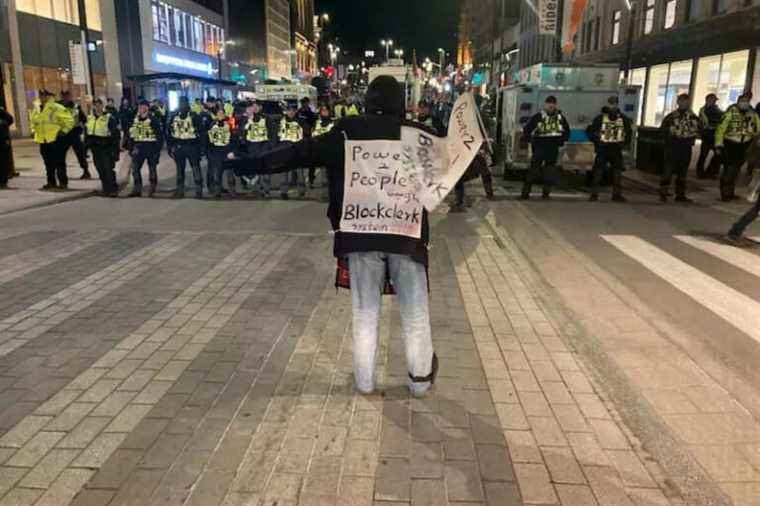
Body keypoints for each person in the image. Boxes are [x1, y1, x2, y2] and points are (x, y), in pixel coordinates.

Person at [225, 75, 438, 397]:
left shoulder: (345, 132)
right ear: (400, 102)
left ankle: (365, 382)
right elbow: (461, 163)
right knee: (416, 312)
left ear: (368, 100)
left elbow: (297, 153)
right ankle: (420, 381)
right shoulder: (420, 135)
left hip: (360, 236)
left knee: (365, 313)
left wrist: (247, 165)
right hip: (406, 236)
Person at [521, 95, 570, 200]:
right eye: (549, 103)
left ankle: (546, 193)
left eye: (553, 103)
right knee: (533, 170)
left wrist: (561, 141)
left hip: (552, 148)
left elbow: (566, 131)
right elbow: (527, 129)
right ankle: (525, 193)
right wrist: (530, 141)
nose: (551, 105)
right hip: (540, 147)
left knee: (549, 172)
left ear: (555, 105)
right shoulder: (538, 116)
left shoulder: (560, 118)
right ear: (545, 104)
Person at [586, 96, 633, 202]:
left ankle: (614, 194)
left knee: (616, 173)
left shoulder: (621, 118)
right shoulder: (601, 118)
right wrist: (597, 141)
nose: (613, 105)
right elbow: (590, 131)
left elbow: (629, 133)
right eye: (611, 103)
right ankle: (595, 194)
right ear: (608, 104)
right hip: (604, 148)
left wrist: (623, 144)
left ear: (617, 104)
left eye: (614, 103)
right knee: (599, 172)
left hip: (614, 149)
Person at [716, 92, 760, 202]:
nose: (745, 103)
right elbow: (720, 130)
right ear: (738, 102)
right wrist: (719, 144)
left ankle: (730, 192)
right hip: (730, 144)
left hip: (745, 145)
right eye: (743, 101)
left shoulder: (753, 114)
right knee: (729, 169)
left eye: (747, 101)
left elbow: (758, 128)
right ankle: (725, 193)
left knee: (736, 169)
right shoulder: (730, 113)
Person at [659, 93, 700, 203]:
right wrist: (670, 135)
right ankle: (663, 193)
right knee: (668, 171)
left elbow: (700, 130)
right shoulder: (671, 117)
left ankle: (680, 194)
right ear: (678, 102)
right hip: (672, 148)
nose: (684, 104)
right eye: (682, 101)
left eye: (686, 102)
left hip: (686, 148)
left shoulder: (693, 117)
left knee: (683, 173)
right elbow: (662, 131)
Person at [31, 90, 75, 190]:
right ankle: (51, 182)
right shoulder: (37, 108)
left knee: (59, 162)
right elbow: (33, 121)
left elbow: (70, 120)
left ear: (48, 96)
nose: (42, 97)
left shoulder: (56, 107)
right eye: (41, 96)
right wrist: (33, 131)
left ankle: (63, 183)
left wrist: (63, 131)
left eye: (44, 95)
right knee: (48, 163)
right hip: (43, 140)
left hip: (55, 139)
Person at [167, 96, 205, 199]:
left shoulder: (192, 116)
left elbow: (201, 132)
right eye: (181, 103)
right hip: (182, 145)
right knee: (185, 169)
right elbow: (169, 132)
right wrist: (170, 146)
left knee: (191, 168)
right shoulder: (176, 116)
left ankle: (196, 190)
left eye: (183, 103)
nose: (182, 105)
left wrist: (202, 147)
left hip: (190, 145)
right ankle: (190, 190)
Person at [126, 99, 164, 197]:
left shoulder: (153, 120)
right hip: (138, 147)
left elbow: (159, 136)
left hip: (151, 147)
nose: (140, 109)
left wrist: (157, 150)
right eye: (139, 107)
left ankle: (152, 188)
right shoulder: (135, 119)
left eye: (142, 107)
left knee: (152, 168)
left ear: (147, 108)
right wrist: (131, 148)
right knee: (135, 169)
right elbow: (131, 134)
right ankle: (137, 189)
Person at [84, 98, 120, 197]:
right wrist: (85, 149)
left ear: (102, 105)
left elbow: (115, 136)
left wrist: (116, 152)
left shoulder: (109, 118)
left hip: (106, 147)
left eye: (99, 104)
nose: (97, 107)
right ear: (93, 106)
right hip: (95, 148)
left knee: (108, 169)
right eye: (95, 105)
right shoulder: (90, 118)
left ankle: (113, 189)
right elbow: (87, 135)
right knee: (100, 169)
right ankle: (106, 189)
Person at [241, 100, 273, 196]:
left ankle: (266, 189)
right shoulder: (247, 119)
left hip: (263, 145)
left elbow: (272, 133)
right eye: (253, 106)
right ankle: (257, 189)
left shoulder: (267, 118)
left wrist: (269, 146)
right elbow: (242, 132)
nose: (254, 108)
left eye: (256, 106)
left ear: (260, 107)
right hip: (252, 146)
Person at [58, 91, 91, 180]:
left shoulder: (76, 107)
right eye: (64, 96)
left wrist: (85, 131)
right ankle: (62, 177)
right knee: (60, 156)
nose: (65, 98)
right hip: (62, 135)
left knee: (80, 154)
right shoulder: (57, 107)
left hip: (74, 134)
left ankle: (86, 171)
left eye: (67, 96)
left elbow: (83, 119)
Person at [206, 106, 236, 198]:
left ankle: (232, 190)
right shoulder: (212, 124)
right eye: (219, 114)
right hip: (216, 151)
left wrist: (232, 151)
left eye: (222, 113)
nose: (220, 115)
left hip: (227, 150)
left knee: (230, 173)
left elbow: (233, 138)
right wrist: (209, 151)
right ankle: (217, 191)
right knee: (217, 173)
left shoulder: (229, 124)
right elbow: (209, 139)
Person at [277, 102, 305, 199]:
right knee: (285, 172)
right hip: (285, 148)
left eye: (293, 111)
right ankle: (283, 192)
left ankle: (301, 191)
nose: (291, 112)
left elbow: (306, 133)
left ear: (296, 111)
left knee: (299, 171)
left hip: (297, 148)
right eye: (289, 110)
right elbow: (279, 135)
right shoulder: (282, 121)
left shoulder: (301, 121)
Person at [697, 93, 724, 179]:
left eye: (715, 100)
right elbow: (717, 119)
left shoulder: (713, 109)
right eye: (713, 100)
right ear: (708, 100)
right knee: (704, 154)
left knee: (717, 154)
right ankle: (703, 172)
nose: (715, 101)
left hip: (713, 135)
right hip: (708, 135)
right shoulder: (706, 110)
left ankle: (710, 171)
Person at [310, 104, 335, 194]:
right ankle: (322, 192)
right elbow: (313, 135)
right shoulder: (316, 123)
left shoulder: (333, 123)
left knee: (329, 173)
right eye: (322, 110)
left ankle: (329, 191)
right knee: (321, 173)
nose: (324, 112)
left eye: (326, 110)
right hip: (319, 151)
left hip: (330, 151)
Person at [0, 106, 14, 189]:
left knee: (3, 161)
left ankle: (3, 181)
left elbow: (10, 119)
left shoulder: (1, 110)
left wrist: (2, 122)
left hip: (2, 140)